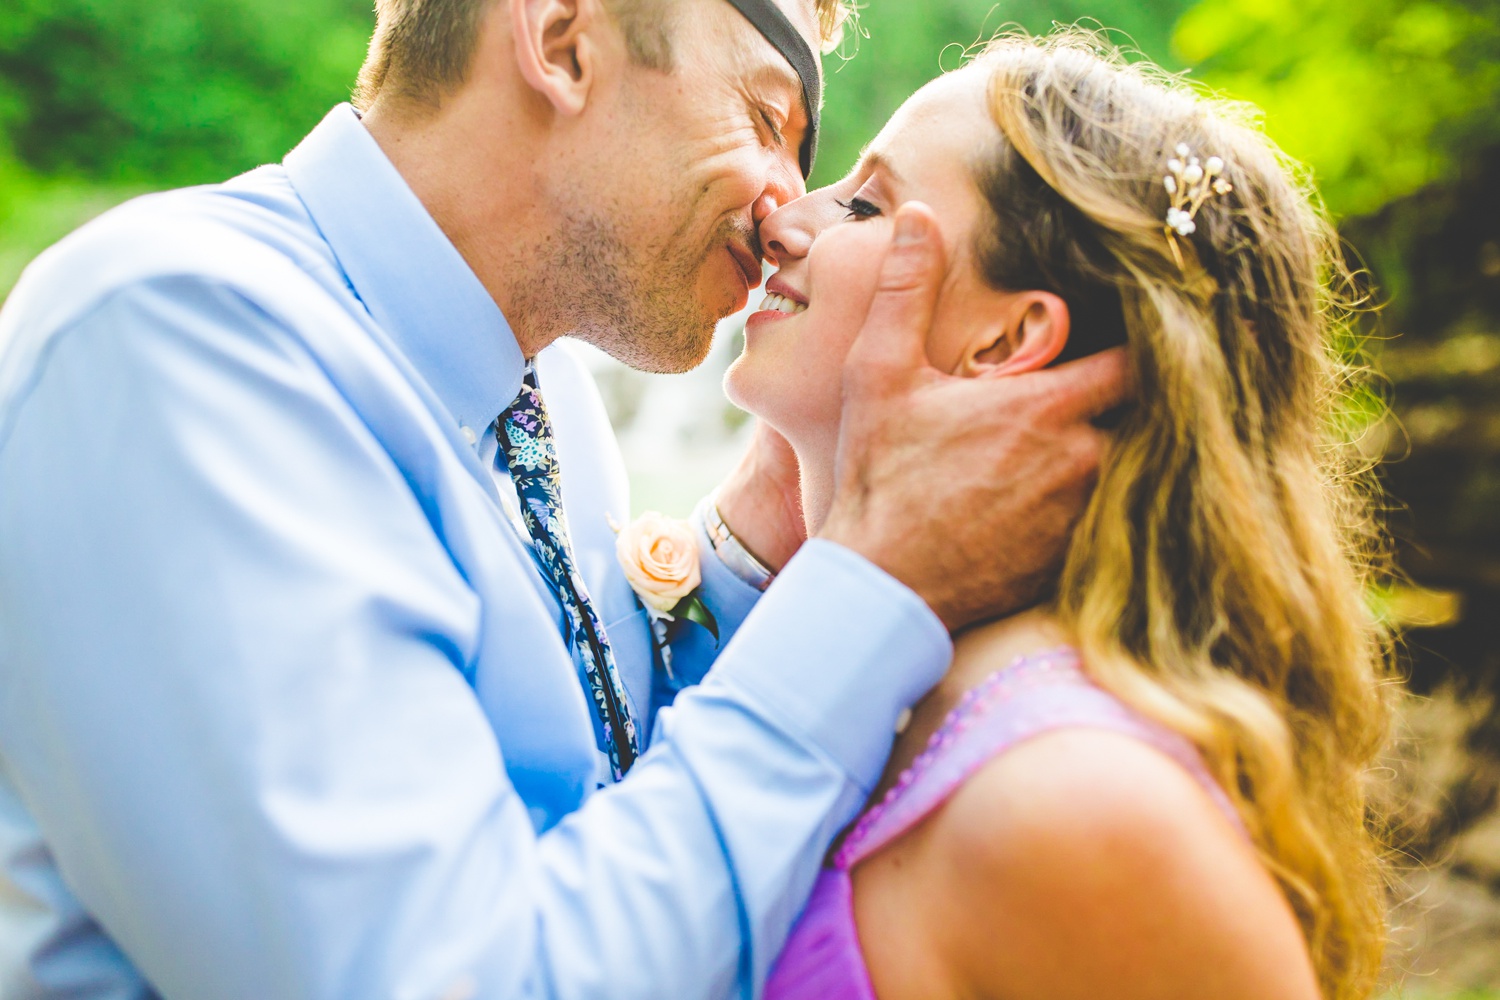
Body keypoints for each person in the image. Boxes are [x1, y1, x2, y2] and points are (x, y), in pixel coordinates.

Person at [0, 2, 1127, 998]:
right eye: (768, 115)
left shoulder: (550, 400)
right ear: (560, 40)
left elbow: (592, 785)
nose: (789, 211)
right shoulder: (180, 342)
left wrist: (745, 555)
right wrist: (871, 588)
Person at [726, 31, 1393, 1000]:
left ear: (1008, 340)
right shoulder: (879, 670)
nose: (788, 215)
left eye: (867, 204)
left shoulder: (1082, 803)